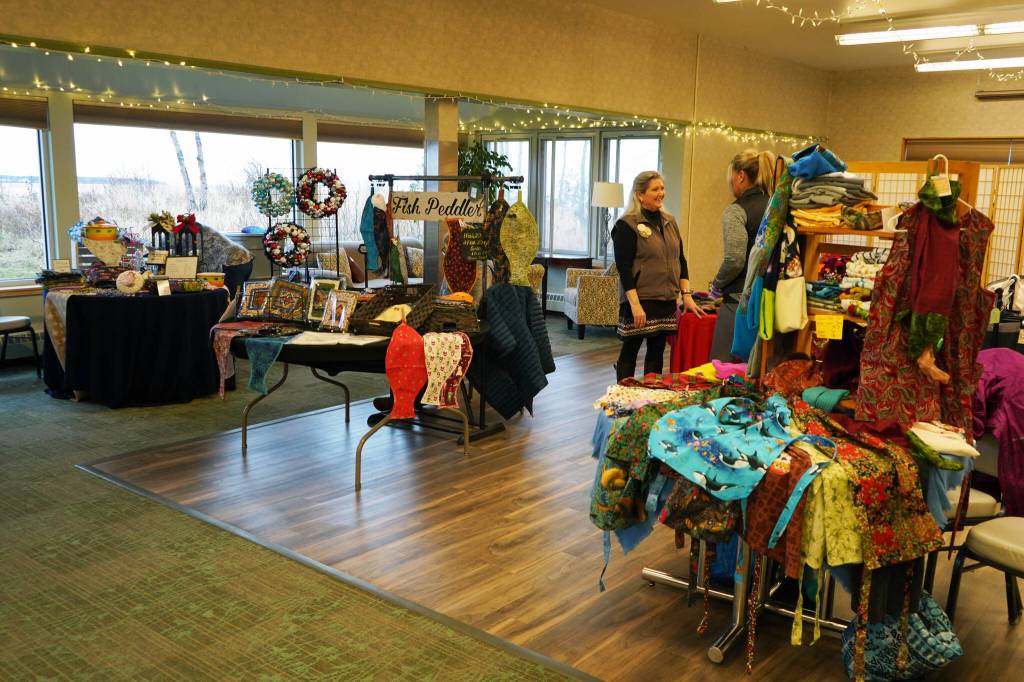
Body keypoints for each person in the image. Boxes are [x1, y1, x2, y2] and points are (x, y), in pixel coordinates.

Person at [612, 170, 704, 381]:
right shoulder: (626, 225)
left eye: (662, 188)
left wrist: (686, 296)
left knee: (656, 352)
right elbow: (623, 268)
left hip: (665, 300)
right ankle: (622, 396)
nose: (661, 193)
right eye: (655, 189)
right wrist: (635, 305)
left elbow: (680, 260)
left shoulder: (670, 221)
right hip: (640, 300)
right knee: (631, 349)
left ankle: (651, 394)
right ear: (640, 195)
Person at [709, 149, 778, 361]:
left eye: (731, 176)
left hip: (740, 301)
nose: (730, 182)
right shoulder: (776, 206)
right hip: (772, 298)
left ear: (740, 175)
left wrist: (717, 285)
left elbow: (734, 259)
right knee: (763, 369)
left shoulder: (736, 211)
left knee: (723, 370)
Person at [197, 223, 254, 298]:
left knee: (232, 299)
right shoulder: (199, 227)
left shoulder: (189, 232)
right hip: (245, 258)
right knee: (237, 297)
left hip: (234, 263)